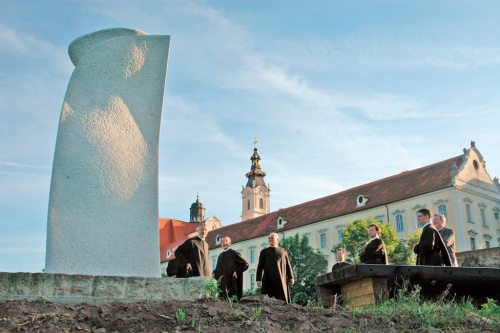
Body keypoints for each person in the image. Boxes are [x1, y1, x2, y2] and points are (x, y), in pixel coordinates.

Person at [256, 233, 295, 303]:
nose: (270, 239)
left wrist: (291, 277)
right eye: (269, 238)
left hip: (281, 279)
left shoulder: (283, 251)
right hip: (268, 279)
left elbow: (288, 265)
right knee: (267, 299)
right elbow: (260, 266)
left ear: (277, 239)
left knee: (283, 299)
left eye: (272, 238)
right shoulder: (264, 252)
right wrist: (258, 279)